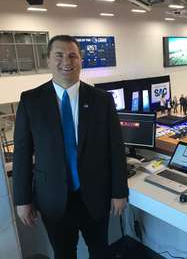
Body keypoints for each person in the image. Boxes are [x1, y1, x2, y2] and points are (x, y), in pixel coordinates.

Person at [12, 35, 128, 259]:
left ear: (81, 60)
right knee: (64, 254)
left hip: (95, 196)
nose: (67, 60)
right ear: (48, 60)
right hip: (52, 199)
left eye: (73, 55)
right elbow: (22, 154)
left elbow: (115, 148)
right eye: (59, 55)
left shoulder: (102, 100)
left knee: (100, 251)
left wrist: (119, 192)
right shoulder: (30, 101)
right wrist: (22, 199)